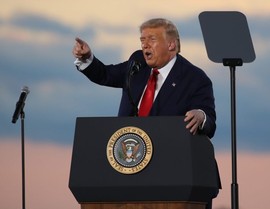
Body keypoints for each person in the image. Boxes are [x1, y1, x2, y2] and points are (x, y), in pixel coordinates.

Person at [72, 18, 216, 139]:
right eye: (142, 40)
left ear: (171, 44)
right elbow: (105, 75)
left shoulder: (195, 78)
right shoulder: (138, 62)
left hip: (169, 157)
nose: (144, 45)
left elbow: (209, 124)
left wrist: (201, 117)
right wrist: (87, 58)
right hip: (128, 152)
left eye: (152, 39)